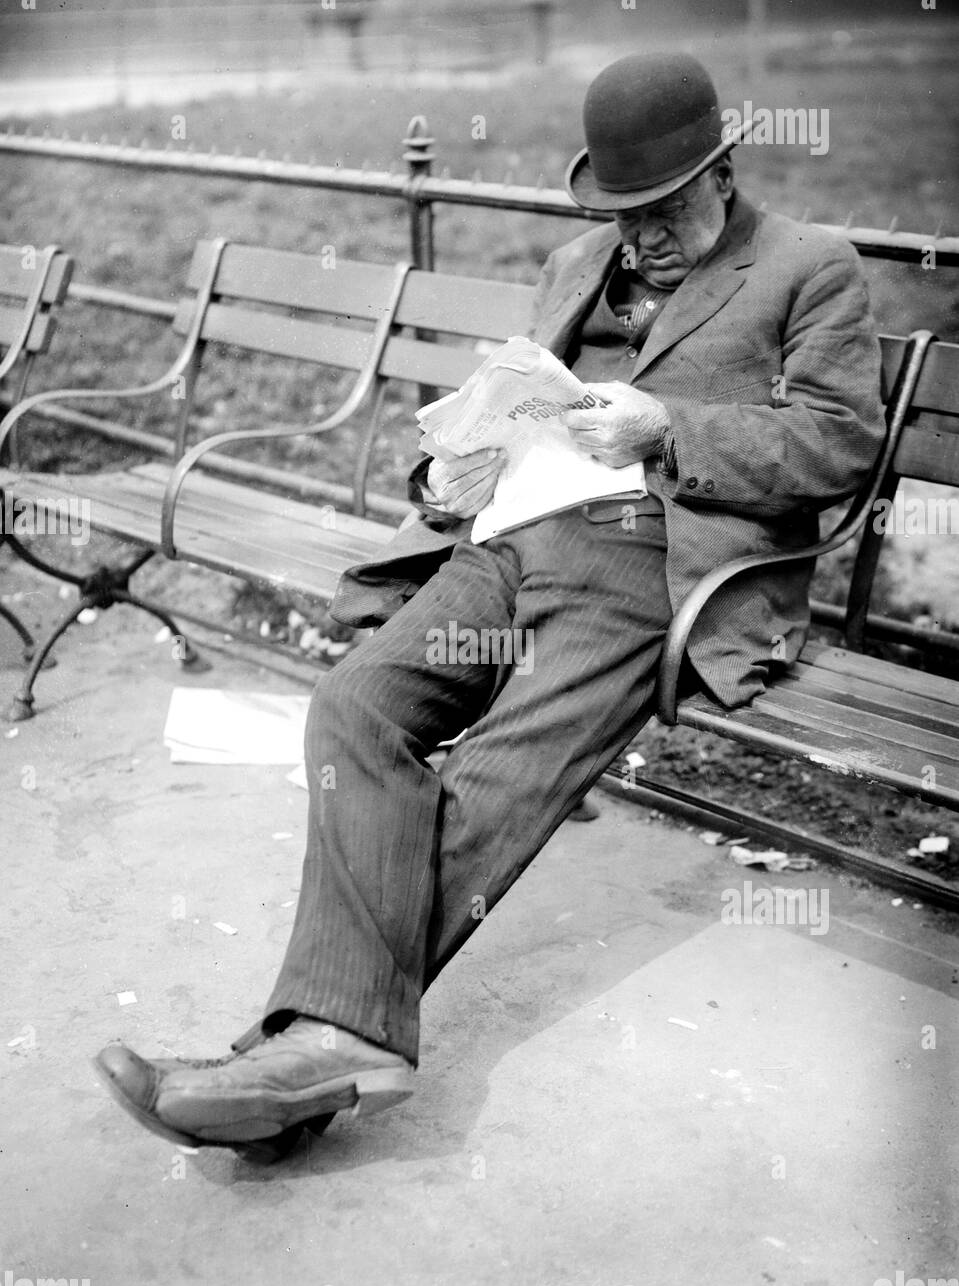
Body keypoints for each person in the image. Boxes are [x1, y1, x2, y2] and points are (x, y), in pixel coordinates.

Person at [95, 53, 886, 1160]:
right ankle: (320, 1054)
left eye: (660, 213)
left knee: (492, 775)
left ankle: (297, 1052)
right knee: (352, 708)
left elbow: (839, 445)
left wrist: (665, 426)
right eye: (620, 214)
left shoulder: (809, 267)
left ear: (722, 173)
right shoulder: (575, 261)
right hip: (510, 531)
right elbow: (515, 402)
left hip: (655, 555)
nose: (638, 237)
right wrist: (459, 460)